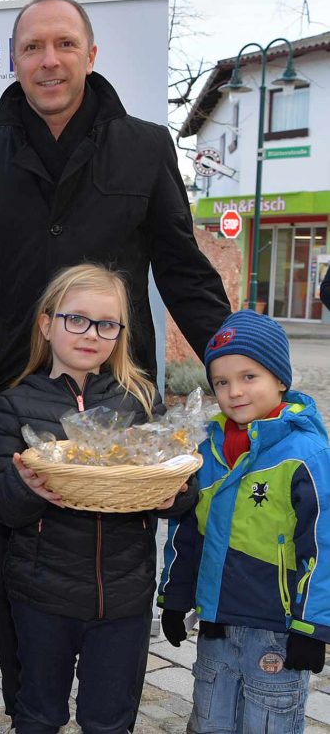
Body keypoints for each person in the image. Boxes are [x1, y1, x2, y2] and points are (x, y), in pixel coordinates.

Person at [0, 0, 230, 718]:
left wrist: (235, 357)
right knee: (22, 574)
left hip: (118, 395)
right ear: (15, 60)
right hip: (15, 394)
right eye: (33, 47)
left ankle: (111, 703)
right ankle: (30, 707)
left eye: (64, 44)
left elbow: (183, 268)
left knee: (118, 560)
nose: (48, 60)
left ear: (90, 55)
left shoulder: (144, 145)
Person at [0, 264, 195, 733]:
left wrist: (174, 493)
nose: (91, 334)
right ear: (46, 323)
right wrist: (25, 486)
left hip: (123, 596)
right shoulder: (15, 405)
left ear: (120, 333)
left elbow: (176, 485)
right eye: (76, 319)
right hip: (42, 595)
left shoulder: (140, 400)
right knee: (37, 715)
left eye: (107, 324)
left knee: (110, 721)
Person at [159, 310, 330, 733]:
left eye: (249, 376)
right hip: (216, 625)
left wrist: (313, 626)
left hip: (278, 631)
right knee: (209, 720)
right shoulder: (208, 449)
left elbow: (323, 544)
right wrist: (176, 595)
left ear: (280, 379)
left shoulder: (305, 454)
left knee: (268, 723)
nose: (233, 392)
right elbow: (187, 530)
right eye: (221, 381)